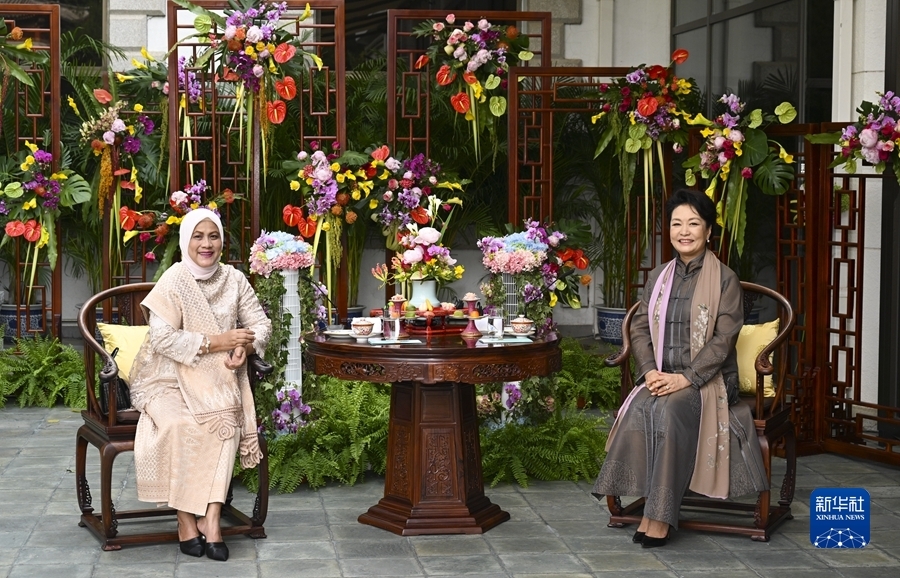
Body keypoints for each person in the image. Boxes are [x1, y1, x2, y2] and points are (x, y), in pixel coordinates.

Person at [592, 189, 767, 548]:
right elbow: (640, 327)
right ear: (668, 230)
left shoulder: (725, 279)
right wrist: (649, 372)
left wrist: (685, 378)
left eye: (693, 223)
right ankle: (645, 505)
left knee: (670, 410)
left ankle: (658, 517)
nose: (684, 231)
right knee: (641, 406)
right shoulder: (658, 276)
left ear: (708, 231)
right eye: (676, 224)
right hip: (660, 374)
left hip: (710, 379)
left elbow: (723, 340)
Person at [128, 208, 272, 561]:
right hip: (166, 378)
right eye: (198, 236)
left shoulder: (234, 279)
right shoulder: (174, 280)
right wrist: (220, 341)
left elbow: (262, 325)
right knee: (180, 424)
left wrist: (244, 347)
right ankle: (184, 519)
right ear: (185, 241)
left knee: (225, 423)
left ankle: (210, 519)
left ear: (222, 241)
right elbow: (162, 339)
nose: (206, 244)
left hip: (217, 377)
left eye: (213, 236)